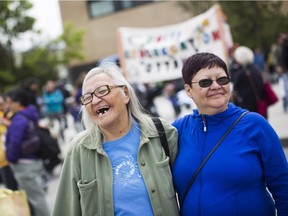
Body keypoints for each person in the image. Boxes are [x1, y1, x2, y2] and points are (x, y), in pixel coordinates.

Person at [52, 63, 179, 216]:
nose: (95, 101)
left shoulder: (161, 132)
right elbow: (64, 211)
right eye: (87, 97)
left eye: (102, 91)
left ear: (125, 93)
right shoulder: (78, 150)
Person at [172, 52, 288, 216]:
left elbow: (283, 186)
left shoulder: (255, 125)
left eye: (222, 79)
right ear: (188, 90)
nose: (216, 86)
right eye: (205, 82)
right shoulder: (177, 130)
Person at [5, 89, 50, 216]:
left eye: (10, 102)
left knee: (36, 198)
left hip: (24, 164)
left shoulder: (19, 119)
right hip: (34, 160)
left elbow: (15, 143)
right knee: (36, 196)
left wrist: (11, 159)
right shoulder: (29, 114)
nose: (8, 105)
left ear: (18, 103)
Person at [231, 46, 267, 118]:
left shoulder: (241, 73)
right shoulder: (256, 69)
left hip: (248, 106)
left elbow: (235, 87)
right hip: (260, 103)